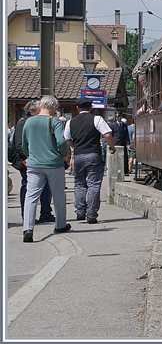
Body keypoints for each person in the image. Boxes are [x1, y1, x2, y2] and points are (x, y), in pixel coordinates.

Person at [21, 96, 71, 242]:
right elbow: (61, 141)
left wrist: (30, 155)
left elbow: (24, 143)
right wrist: (63, 155)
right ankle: (60, 224)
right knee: (58, 195)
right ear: (53, 107)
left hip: (34, 163)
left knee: (31, 196)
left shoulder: (29, 121)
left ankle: (28, 228)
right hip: (53, 163)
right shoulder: (53, 120)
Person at [65, 99, 116, 224]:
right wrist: (112, 147)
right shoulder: (96, 119)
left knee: (79, 183)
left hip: (78, 155)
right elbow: (107, 135)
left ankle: (80, 211)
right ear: (90, 107)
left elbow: (66, 139)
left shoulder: (70, 122)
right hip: (93, 154)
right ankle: (91, 213)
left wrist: (74, 146)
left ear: (77, 108)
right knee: (94, 184)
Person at [12, 100, 54, 224]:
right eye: (39, 109)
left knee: (46, 186)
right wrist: (27, 159)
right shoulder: (23, 123)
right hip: (27, 160)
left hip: (41, 160)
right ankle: (27, 215)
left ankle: (45, 212)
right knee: (27, 187)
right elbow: (19, 145)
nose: (42, 111)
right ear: (32, 112)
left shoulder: (40, 121)